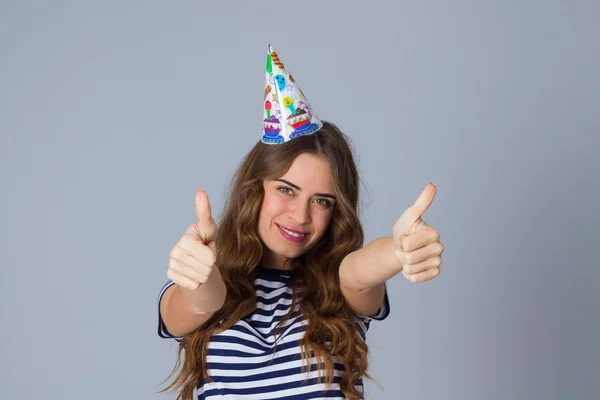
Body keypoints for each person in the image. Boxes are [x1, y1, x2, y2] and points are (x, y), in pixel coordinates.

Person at [157, 46, 444, 400]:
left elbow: (357, 272)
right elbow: (202, 302)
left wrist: (397, 253)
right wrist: (197, 275)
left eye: (321, 201)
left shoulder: (338, 288)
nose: (300, 216)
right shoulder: (206, 280)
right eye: (286, 190)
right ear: (255, 188)